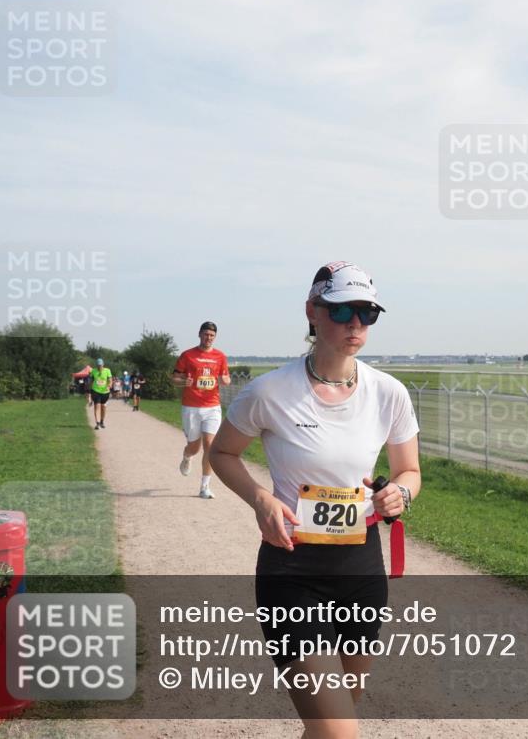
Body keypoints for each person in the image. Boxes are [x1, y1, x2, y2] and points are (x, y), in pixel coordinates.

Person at [210, 261, 420, 738]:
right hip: (292, 571)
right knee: (340, 731)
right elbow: (222, 454)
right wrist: (260, 497)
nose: (355, 324)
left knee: (334, 720)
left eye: (367, 313)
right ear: (313, 312)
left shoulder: (389, 393)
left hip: (363, 572)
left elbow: (410, 471)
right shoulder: (268, 391)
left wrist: (400, 494)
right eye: (342, 309)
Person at [172, 321, 231, 499]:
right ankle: (187, 456)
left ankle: (204, 487)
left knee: (210, 446)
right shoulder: (188, 355)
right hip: (191, 407)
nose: (208, 338)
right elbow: (174, 378)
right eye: (206, 334)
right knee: (194, 447)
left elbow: (225, 376)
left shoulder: (220, 356)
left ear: (215, 337)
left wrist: (225, 380)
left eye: (212, 336)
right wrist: (183, 382)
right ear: (199, 335)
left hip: (212, 406)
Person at [89, 358, 112, 430]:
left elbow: (110, 380)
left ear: (103, 365)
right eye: (98, 365)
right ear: (97, 365)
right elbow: (91, 381)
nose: (99, 367)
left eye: (101, 365)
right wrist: (89, 392)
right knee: (97, 406)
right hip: (95, 391)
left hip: (105, 392)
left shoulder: (107, 371)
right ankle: (97, 423)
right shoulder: (93, 371)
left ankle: (102, 421)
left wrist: (109, 385)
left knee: (103, 407)